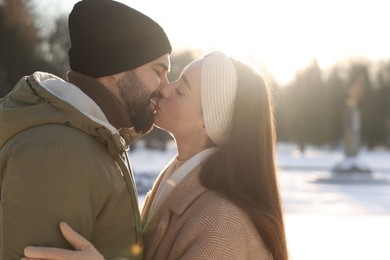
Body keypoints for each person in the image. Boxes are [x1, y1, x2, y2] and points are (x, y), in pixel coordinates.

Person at [22, 51, 288, 260]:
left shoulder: (225, 222)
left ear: (210, 121)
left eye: (181, 91)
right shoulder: (177, 181)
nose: (164, 89)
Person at [0, 0, 172, 259]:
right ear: (117, 68)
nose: (165, 86)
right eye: (158, 71)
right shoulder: (59, 151)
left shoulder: (98, 137)